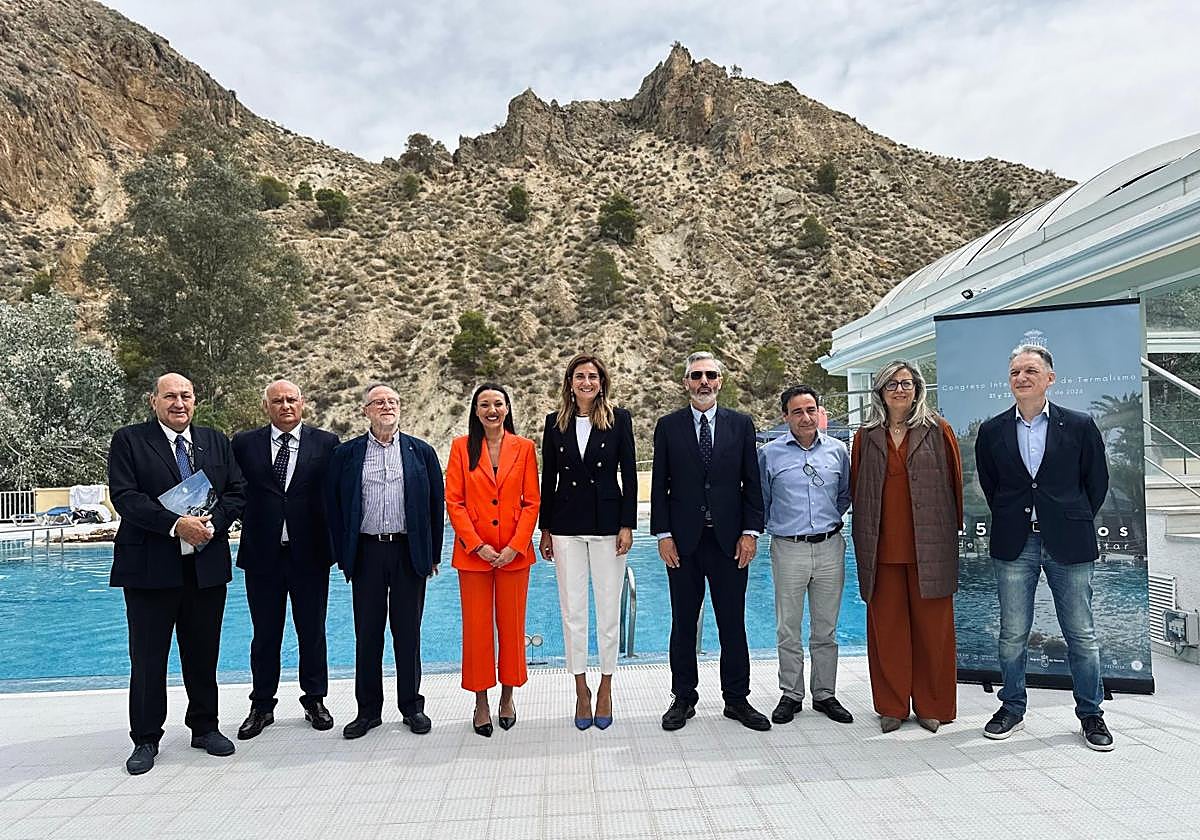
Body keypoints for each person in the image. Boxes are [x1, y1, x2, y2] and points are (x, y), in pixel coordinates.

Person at [975, 344, 1113, 750]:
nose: (1021, 378)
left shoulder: (1080, 425)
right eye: (1015, 372)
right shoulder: (992, 430)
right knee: (1012, 633)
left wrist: (1068, 518)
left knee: (1081, 634)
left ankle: (1091, 714)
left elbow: (1096, 483)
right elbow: (992, 486)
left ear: (1049, 378)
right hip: (1015, 543)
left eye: (1030, 371)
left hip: (1069, 541)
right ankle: (1011, 707)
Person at [107, 373, 246, 775]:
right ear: (153, 401)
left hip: (205, 567)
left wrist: (213, 524)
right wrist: (176, 524)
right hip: (150, 569)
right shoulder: (130, 440)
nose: (179, 403)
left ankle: (205, 727)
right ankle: (145, 738)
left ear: (195, 400)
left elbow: (237, 491)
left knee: (203, 654)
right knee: (148, 658)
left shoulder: (215, 441)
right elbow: (125, 497)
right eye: (170, 396)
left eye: (186, 395)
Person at [651, 351, 768, 732]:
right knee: (683, 624)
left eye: (711, 375)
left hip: (729, 542)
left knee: (732, 623)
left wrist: (750, 533)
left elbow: (752, 483)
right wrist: (664, 535)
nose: (704, 381)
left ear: (720, 381)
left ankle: (736, 699)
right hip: (684, 544)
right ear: (685, 382)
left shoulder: (741, 425)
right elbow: (659, 485)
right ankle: (683, 698)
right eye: (697, 375)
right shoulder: (668, 426)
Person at [326, 383, 444, 740]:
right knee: (368, 633)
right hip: (367, 552)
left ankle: (412, 707)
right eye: (378, 402)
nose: (386, 406)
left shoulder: (421, 452)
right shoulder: (347, 454)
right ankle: (368, 711)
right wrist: (343, 555)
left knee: (408, 633)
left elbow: (435, 507)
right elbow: (333, 506)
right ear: (366, 411)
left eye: (392, 401)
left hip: (408, 552)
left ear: (400, 408)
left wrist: (432, 554)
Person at [850, 360, 962, 733]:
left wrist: (952, 540)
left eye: (907, 383)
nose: (900, 389)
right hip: (881, 548)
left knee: (934, 631)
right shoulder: (865, 437)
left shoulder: (939, 430)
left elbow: (955, 487)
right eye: (892, 384)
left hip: (930, 547)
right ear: (880, 392)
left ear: (917, 389)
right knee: (887, 630)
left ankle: (933, 706)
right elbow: (857, 490)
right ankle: (892, 706)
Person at [231, 380, 339, 739]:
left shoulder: (326, 443)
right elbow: (232, 489)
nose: (285, 405)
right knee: (265, 634)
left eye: (291, 399)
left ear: (302, 403)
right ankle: (262, 705)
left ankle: (315, 700)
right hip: (262, 555)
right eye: (277, 401)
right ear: (266, 406)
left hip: (310, 555)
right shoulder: (244, 444)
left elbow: (337, 494)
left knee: (312, 632)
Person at [538, 354, 637, 730]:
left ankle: (606, 686)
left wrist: (627, 524)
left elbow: (629, 473)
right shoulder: (555, 422)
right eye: (580, 376)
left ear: (602, 382)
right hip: (566, 525)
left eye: (593, 376)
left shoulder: (619, 419)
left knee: (608, 612)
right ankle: (581, 689)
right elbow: (549, 478)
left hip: (608, 524)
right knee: (573, 611)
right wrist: (545, 529)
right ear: (570, 382)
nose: (586, 382)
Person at [446, 383, 540, 737]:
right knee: (477, 631)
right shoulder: (460, 448)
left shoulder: (524, 448)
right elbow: (454, 501)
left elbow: (532, 501)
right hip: (474, 557)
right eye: (484, 404)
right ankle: (481, 701)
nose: (492, 410)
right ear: (476, 411)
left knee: (512, 629)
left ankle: (507, 697)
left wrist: (516, 545)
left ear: (507, 408)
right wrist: (476, 545)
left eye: (498, 403)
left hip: (514, 555)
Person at [758, 385, 853, 726]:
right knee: (788, 627)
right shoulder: (769, 455)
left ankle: (825, 693)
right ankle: (791, 694)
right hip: (788, 548)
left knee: (826, 628)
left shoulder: (838, 451)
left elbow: (845, 495)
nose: (805, 417)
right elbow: (762, 500)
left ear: (819, 412)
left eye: (811, 410)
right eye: (797, 411)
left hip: (830, 546)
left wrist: (825, 524)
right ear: (785, 416)